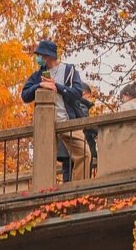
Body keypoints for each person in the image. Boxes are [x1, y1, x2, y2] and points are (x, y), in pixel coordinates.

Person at [21, 39, 90, 182]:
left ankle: (78, 188)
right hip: (46, 125)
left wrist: (57, 86)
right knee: (45, 160)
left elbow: (77, 93)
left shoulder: (69, 70)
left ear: (48, 56)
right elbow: (25, 95)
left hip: (67, 121)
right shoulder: (38, 75)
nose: (39, 58)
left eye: (41, 55)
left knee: (84, 153)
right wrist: (40, 85)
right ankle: (45, 191)